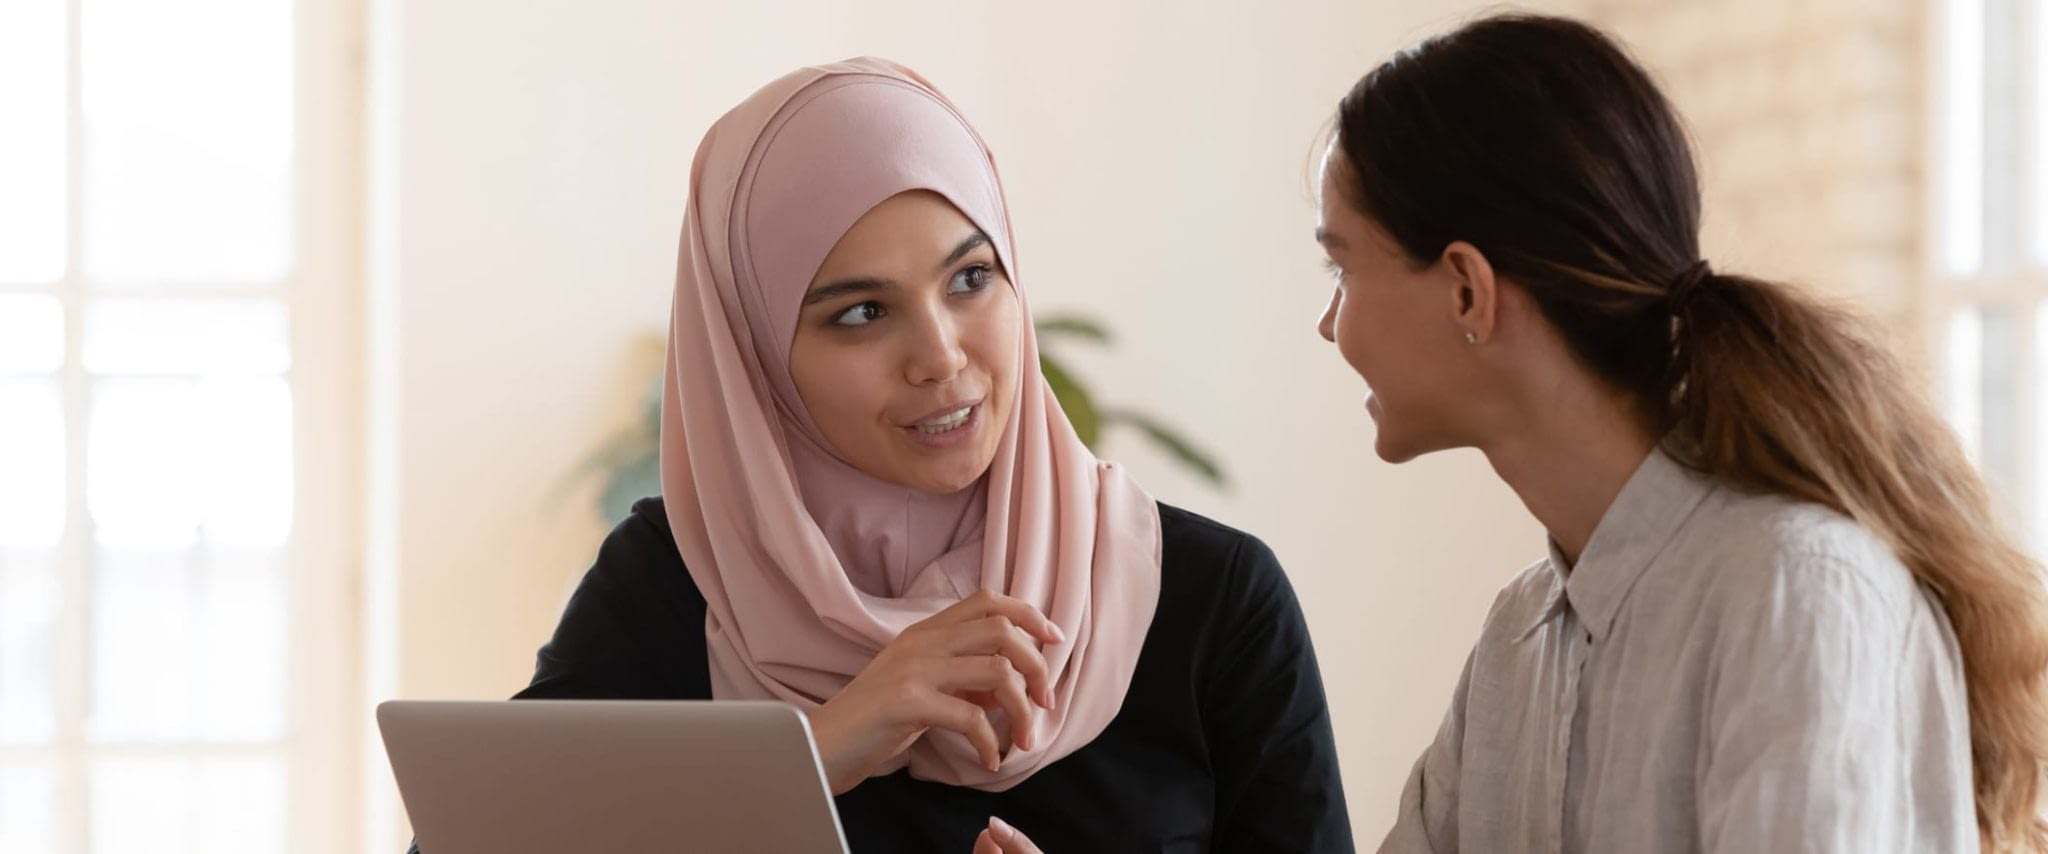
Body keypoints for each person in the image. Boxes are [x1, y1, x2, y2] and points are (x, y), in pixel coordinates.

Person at [411, 58, 1352, 854]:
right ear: (753, 354)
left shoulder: (1208, 600)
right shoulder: (679, 588)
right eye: (861, 313)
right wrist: (820, 750)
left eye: (972, 279)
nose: (941, 356)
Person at [1310, 14, 2048, 853]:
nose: (1329, 325)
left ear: (1468, 292)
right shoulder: (1517, 638)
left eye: (1343, 267)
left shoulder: (1798, 593)